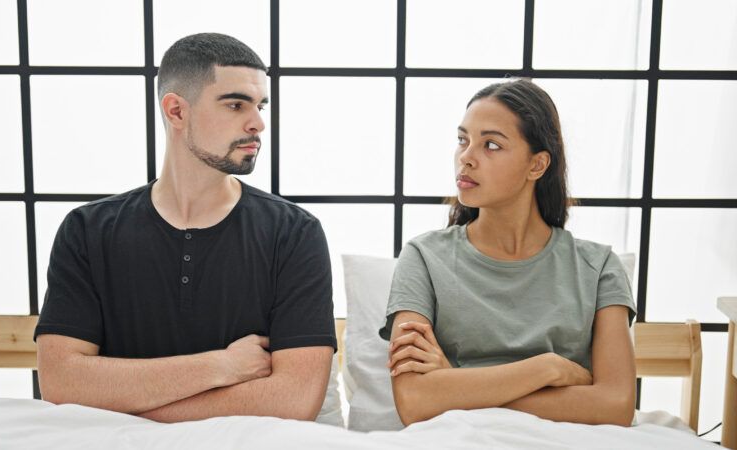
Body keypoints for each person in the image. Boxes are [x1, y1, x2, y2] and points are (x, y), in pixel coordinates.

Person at [34, 33, 336, 423]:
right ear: (176, 111)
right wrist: (221, 366)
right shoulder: (87, 230)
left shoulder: (295, 233)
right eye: (235, 104)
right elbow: (61, 383)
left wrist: (132, 403)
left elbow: (295, 399)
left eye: (260, 105)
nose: (258, 122)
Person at [380, 79, 637, 427]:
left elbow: (615, 405)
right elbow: (414, 401)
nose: (466, 158)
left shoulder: (598, 266)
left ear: (537, 165)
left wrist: (457, 387)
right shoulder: (424, 257)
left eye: (490, 145)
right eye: (462, 140)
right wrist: (549, 368)